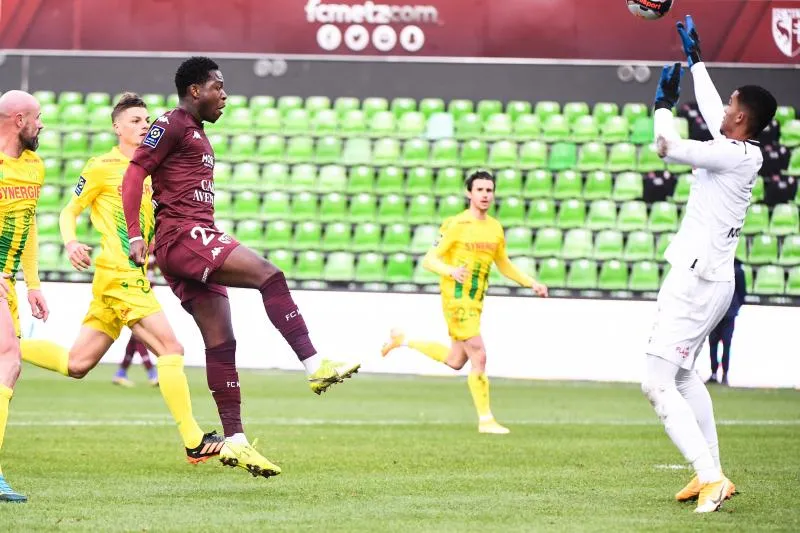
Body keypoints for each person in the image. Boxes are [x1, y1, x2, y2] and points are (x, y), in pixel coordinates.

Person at [121, 56, 359, 477]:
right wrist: (137, 234)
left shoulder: (195, 132)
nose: (224, 95)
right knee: (269, 274)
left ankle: (235, 441)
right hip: (183, 238)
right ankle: (314, 365)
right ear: (195, 90)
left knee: (221, 342)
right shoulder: (172, 123)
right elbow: (135, 171)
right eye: (218, 86)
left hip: (188, 241)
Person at [20, 93, 227, 467]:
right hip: (118, 275)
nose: (143, 125)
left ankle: (7, 347)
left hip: (124, 278)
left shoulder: (156, 167)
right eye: (134, 120)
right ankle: (194, 441)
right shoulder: (102, 166)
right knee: (171, 349)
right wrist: (69, 242)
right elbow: (70, 210)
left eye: (147, 120)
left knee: (77, 364)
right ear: (116, 127)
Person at [642, 15, 777, 514]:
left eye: (732, 104)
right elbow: (712, 107)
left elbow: (667, 147)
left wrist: (660, 106)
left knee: (655, 383)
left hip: (698, 281)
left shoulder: (734, 154)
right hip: (710, 276)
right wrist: (697, 62)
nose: (724, 107)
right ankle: (714, 474)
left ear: (742, 118)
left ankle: (709, 476)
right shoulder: (741, 149)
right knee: (681, 378)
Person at [381, 170, 548, 434]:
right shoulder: (456, 225)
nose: (485, 195)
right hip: (456, 300)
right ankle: (486, 420)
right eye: (480, 190)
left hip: (476, 300)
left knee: (455, 360)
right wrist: (451, 272)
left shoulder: (494, 228)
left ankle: (404, 340)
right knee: (479, 355)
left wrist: (531, 283)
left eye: (489, 190)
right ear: (469, 193)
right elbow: (429, 259)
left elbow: (503, 264)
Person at [0, 89, 48, 502]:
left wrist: (32, 284)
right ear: (19, 120)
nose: (42, 125)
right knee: (9, 359)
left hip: (10, 282)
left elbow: (28, 226)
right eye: (37, 118)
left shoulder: (34, 166)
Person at [707, 258, 746, 386]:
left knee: (723, 344)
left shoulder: (734, 270)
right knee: (716, 344)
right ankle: (717, 374)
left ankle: (722, 373)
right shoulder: (734, 269)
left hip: (723, 312)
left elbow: (741, 294)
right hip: (719, 312)